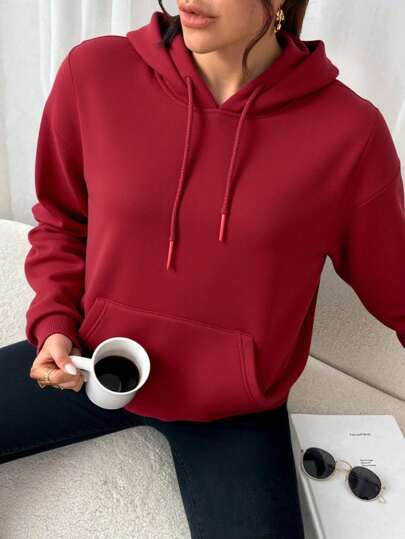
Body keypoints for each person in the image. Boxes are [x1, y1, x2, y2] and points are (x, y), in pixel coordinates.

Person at [1, 0, 404, 537]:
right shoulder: (95, 73)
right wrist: (54, 323)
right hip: (92, 364)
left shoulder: (350, 133)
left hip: (233, 412)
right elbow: (62, 220)